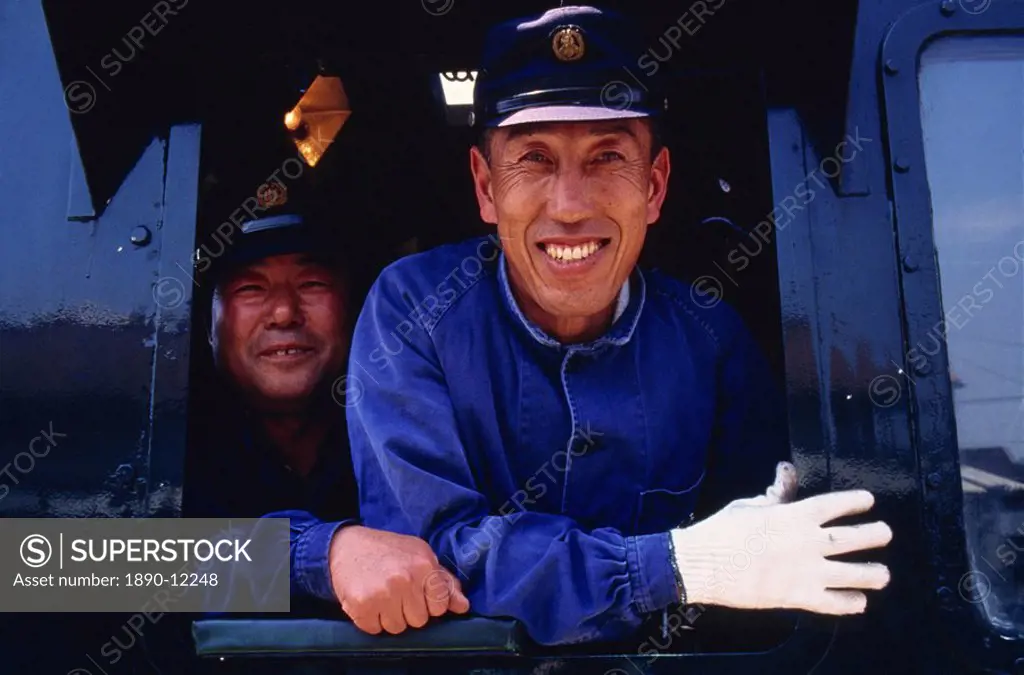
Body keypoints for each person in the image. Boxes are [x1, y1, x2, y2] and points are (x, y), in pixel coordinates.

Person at [350, 6, 891, 646]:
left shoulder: (709, 336)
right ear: (486, 187)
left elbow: (772, 541)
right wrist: (676, 565)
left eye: (607, 157)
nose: (571, 205)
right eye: (534, 159)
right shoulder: (416, 310)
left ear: (655, 186)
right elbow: (429, 559)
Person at [184, 197, 469, 634]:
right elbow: (76, 563)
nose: (283, 313)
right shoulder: (167, 434)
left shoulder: (418, 423)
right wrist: (320, 556)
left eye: (312, 284)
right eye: (250, 289)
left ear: (356, 312)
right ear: (208, 327)